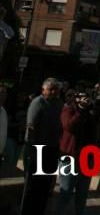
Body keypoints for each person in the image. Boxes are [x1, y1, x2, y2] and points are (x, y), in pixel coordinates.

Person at [20, 77, 63, 215]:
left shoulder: (58, 103)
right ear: (43, 90)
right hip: (36, 148)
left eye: (55, 90)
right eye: (50, 89)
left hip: (52, 149)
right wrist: (31, 150)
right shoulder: (37, 103)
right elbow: (31, 126)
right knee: (32, 186)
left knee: (45, 185)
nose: (52, 92)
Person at [57, 91, 99, 215]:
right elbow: (69, 127)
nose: (85, 100)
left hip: (87, 157)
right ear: (76, 99)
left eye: (87, 97)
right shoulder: (68, 110)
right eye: (82, 97)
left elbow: (95, 134)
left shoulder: (91, 112)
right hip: (70, 157)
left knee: (82, 193)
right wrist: (80, 110)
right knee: (66, 191)